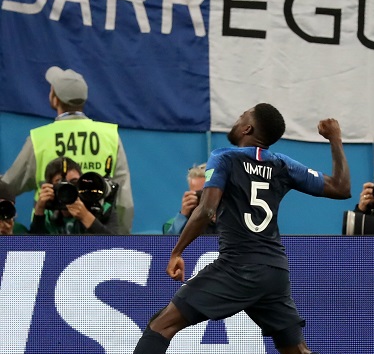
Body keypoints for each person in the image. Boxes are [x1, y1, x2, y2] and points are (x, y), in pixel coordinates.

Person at [79, 103, 374, 354]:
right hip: (274, 270)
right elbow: (341, 187)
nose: (237, 120)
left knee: (161, 324)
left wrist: (177, 251)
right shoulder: (282, 165)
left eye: (241, 117)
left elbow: (206, 210)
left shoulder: (225, 157)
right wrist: (334, 139)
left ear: (248, 128)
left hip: (238, 265)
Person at [0, 66, 133, 234]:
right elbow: (124, 202)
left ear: (55, 98)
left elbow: (8, 186)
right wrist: (122, 240)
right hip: (97, 231)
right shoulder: (109, 136)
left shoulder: (40, 138)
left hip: (48, 233)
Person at [30, 156, 118, 235]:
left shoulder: (101, 209)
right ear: (51, 188)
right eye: (61, 184)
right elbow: (34, 248)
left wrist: (86, 217)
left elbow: (114, 248)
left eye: (74, 182)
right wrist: (39, 211)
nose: (69, 189)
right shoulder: (48, 215)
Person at [162, 163, 216, 235]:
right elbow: (169, 244)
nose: (203, 199)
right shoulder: (185, 222)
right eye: (198, 194)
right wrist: (183, 215)